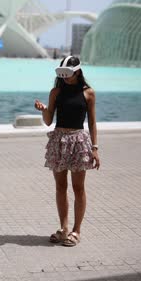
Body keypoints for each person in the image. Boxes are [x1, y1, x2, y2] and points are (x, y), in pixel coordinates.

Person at [34, 55, 100, 247]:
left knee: (78, 188)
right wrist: (44, 109)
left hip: (79, 141)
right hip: (59, 140)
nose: (64, 78)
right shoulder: (56, 92)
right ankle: (63, 229)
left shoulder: (89, 93)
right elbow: (48, 120)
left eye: (68, 74)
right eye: (62, 74)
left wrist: (95, 148)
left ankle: (76, 231)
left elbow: (93, 122)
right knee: (60, 186)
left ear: (77, 71)